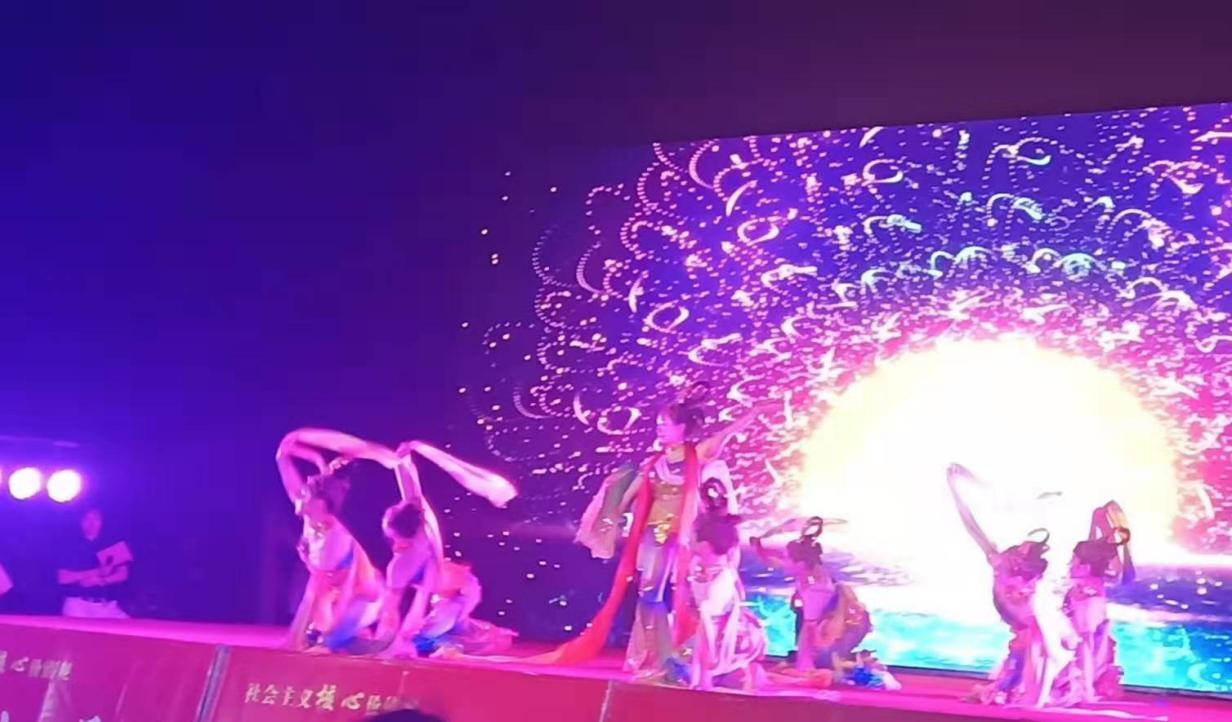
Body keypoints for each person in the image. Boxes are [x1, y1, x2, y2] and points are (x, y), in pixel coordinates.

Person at [546, 385, 774, 671]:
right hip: (655, 532)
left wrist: (754, 412)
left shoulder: (697, 455)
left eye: (665, 424)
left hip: (688, 536)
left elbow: (726, 433)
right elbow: (631, 494)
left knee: (693, 598)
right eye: (659, 423)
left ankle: (692, 655)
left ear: (682, 428)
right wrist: (612, 514)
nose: (659, 428)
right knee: (649, 593)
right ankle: (653, 654)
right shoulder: (654, 463)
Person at [946, 463, 1075, 707]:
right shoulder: (1002, 563)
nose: (1018, 550)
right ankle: (1026, 690)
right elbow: (972, 526)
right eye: (1018, 549)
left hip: (1035, 629)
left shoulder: (1034, 583)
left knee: (1033, 664)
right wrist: (955, 492)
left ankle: (1034, 692)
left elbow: (1045, 619)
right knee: (1019, 670)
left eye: (1024, 550)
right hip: (1023, 626)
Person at [276, 429, 395, 651]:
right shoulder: (311, 516)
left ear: (321, 503)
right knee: (322, 633)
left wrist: (294, 639)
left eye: (305, 494)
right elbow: (283, 455)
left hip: (365, 599)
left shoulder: (336, 537)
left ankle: (358, 636)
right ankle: (350, 636)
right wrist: (316, 458)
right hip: (336, 593)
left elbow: (320, 588)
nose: (299, 495)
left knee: (329, 640)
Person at [673, 480, 766, 690]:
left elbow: (728, 566)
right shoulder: (702, 545)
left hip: (719, 601)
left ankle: (708, 675)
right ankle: (704, 677)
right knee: (700, 633)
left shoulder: (721, 567)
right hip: (707, 593)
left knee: (707, 623)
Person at [752, 516, 871, 678]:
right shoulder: (810, 575)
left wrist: (809, 656)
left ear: (800, 563)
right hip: (821, 627)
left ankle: (813, 668)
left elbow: (811, 629)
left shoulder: (814, 588)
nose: (784, 561)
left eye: (788, 558)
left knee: (799, 665)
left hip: (823, 636)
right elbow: (775, 560)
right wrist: (759, 547)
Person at [1058, 502, 1134, 704]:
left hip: (1087, 597)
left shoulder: (1097, 550)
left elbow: (1112, 572)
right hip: (1090, 596)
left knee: (1086, 640)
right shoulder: (1100, 549)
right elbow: (1116, 574)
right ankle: (1084, 684)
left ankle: (1084, 686)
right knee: (1088, 640)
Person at [56, 508, 133, 619]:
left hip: (107, 605)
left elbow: (123, 574)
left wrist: (101, 581)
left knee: (130, 627)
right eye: (87, 518)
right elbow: (63, 578)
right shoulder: (69, 545)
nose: (91, 523)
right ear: (80, 521)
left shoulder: (113, 542)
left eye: (96, 518)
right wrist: (97, 572)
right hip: (78, 604)